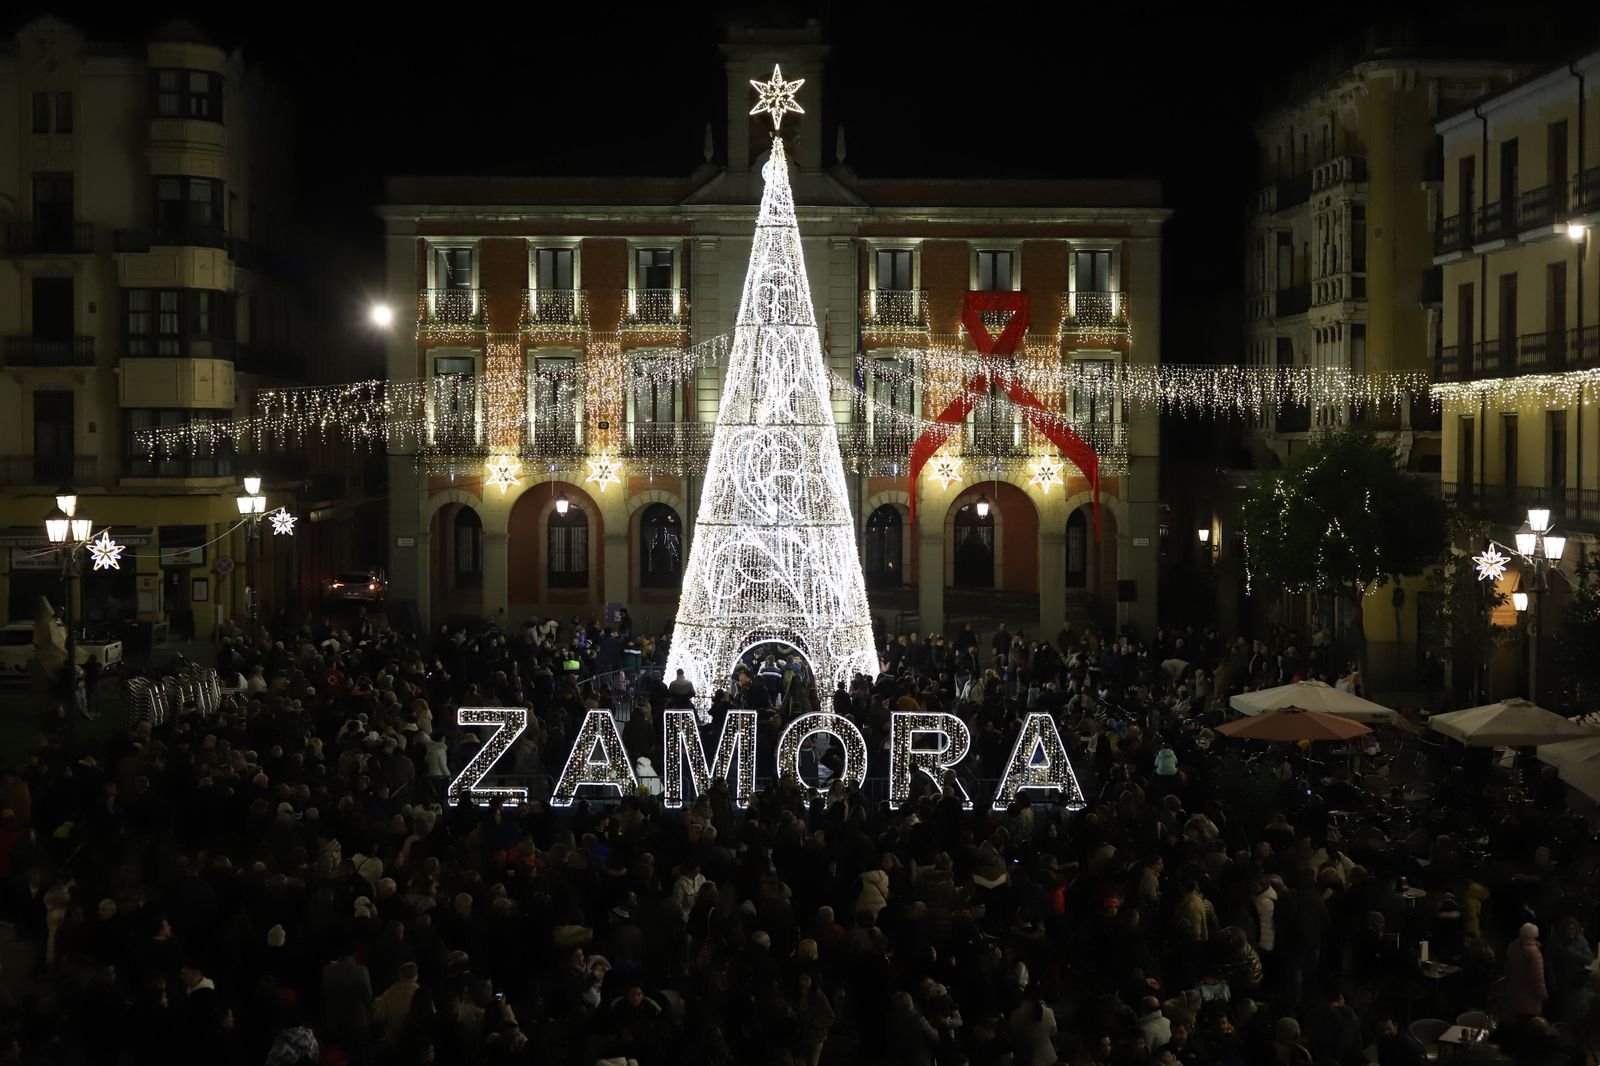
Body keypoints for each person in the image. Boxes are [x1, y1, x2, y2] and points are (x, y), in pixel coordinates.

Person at [1505, 923, 1550, 1020]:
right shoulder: (1534, 952)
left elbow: (1507, 970)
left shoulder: (1511, 947)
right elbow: (1538, 977)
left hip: (1513, 995)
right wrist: (1543, 995)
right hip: (1530, 999)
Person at [791, 971, 835, 1066]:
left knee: (812, 1062)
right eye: (801, 979)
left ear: (812, 981)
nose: (803, 982)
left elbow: (830, 1017)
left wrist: (815, 1022)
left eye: (806, 979)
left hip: (816, 1037)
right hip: (802, 1037)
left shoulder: (818, 996)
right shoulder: (797, 995)